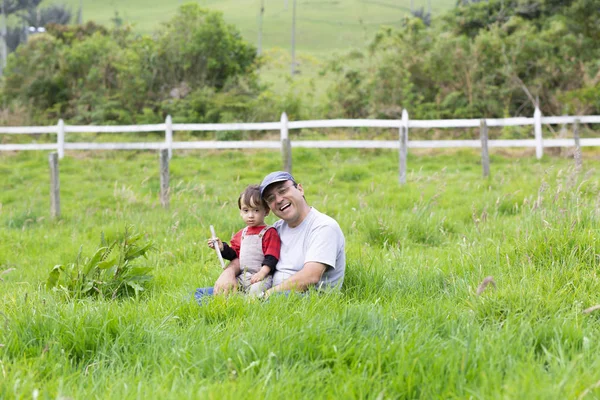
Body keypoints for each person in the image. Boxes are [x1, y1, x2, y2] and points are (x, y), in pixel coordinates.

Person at [195, 171, 345, 302]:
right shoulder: (276, 229)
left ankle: (241, 313)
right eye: (271, 198)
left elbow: (310, 277)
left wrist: (263, 296)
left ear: (300, 189)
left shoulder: (323, 227)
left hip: (306, 297)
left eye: (283, 191)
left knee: (271, 300)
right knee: (200, 294)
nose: (278, 200)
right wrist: (228, 274)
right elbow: (247, 255)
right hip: (266, 290)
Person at [207, 184, 280, 296]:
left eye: (256, 210)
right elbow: (234, 254)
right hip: (243, 275)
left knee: (255, 291)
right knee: (228, 289)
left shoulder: (269, 232)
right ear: (241, 212)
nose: (250, 215)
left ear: (266, 211)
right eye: (246, 210)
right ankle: (234, 307)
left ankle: (252, 306)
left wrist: (262, 273)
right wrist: (222, 247)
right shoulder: (242, 234)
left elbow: (272, 257)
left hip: (262, 276)